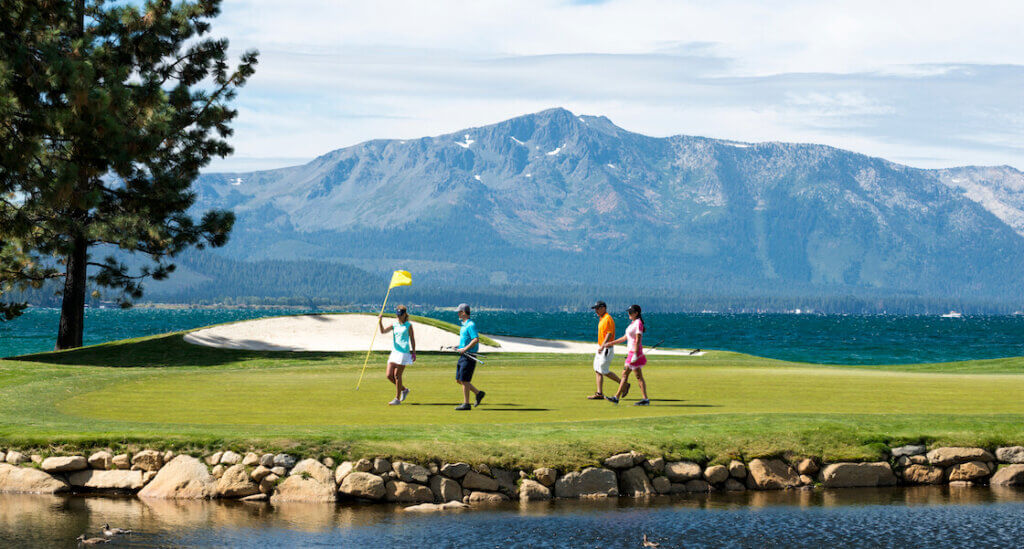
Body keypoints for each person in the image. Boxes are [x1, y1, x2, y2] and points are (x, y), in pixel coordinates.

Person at [602, 304, 650, 405]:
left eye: (631, 312)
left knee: (627, 375)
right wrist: (611, 343)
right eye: (629, 312)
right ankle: (644, 399)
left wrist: (635, 354)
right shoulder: (633, 323)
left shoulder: (638, 323)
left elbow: (638, 340)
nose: (629, 314)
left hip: (635, 353)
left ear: (636, 313)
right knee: (636, 376)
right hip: (632, 353)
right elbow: (624, 338)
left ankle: (617, 397)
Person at [587, 301, 629, 400]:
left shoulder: (608, 319)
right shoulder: (602, 318)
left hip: (606, 348)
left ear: (603, 308)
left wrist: (602, 346)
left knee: (603, 370)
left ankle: (624, 384)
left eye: (598, 308)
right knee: (597, 370)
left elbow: (609, 334)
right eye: (595, 309)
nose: (596, 311)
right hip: (601, 347)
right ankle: (599, 393)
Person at [377, 305, 416, 405]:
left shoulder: (408, 325)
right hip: (395, 352)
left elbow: (412, 339)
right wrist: (380, 321)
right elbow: (383, 331)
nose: (398, 317)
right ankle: (404, 390)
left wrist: (414, 352)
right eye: (397, 315)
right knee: (389, 375)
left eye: (400, 315)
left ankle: (397, 399)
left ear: (404, 315)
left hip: (404, 352)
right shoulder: (394, 324)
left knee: (397, 375)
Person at [454, 303, 485, 411]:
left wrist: (465, 349)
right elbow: (465, 341)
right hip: (463, 355)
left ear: (463, 312)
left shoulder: (471, 325)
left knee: (464, 380)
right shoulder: (463, 325)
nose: (458, 314)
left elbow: (475, 339)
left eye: (459, 312)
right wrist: (458, 347)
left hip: (469, 356)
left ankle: (466, 404)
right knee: (459, 380)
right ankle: (478, 393)